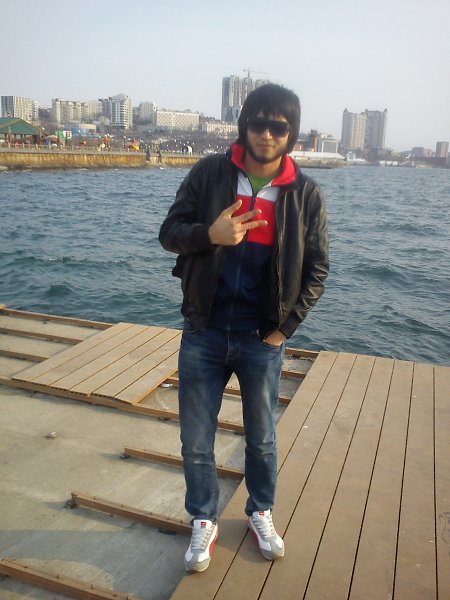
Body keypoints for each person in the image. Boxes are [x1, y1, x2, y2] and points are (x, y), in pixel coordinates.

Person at [159, 83, 329, 573]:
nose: (267, 134)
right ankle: (203, 517)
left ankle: (260, 511)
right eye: (258, 123)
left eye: (279, 127)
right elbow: (169, 233)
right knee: (196, 439)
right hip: (204, 330)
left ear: (292, 133)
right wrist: (209, 235)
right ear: (243, 126)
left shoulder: (304, 194)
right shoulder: (210, 173)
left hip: (261, 338)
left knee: (262, 438)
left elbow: (317, 268)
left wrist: (284, 330)